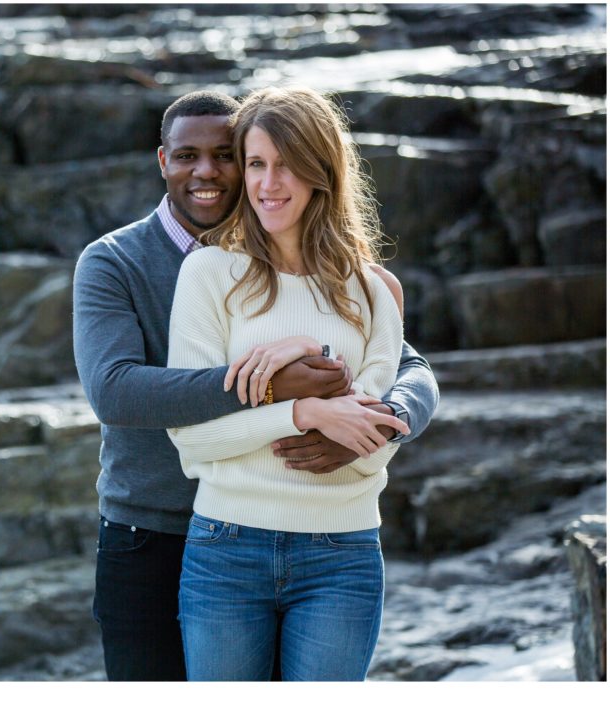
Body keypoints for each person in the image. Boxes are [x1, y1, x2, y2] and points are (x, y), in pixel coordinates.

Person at [72, 90, 439, 682]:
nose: (209, 172)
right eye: (189, 156)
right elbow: (116, 392)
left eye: (228, 155)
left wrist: (380, 419)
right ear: (162, 160)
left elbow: (407, 368)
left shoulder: (357, 283)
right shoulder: (121, 261)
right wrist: (283, 391)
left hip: (322, 535)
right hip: (158, 529)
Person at [166, 85, 413, 681]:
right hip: (226, 549)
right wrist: (303, 414)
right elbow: (192, 441)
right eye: (255, 164)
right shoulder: (207, 273)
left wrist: (307, 359)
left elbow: (372, 446)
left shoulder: (375, 292)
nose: (268, 184)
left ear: (321, 172)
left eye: (287, 165)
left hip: (343, 553)